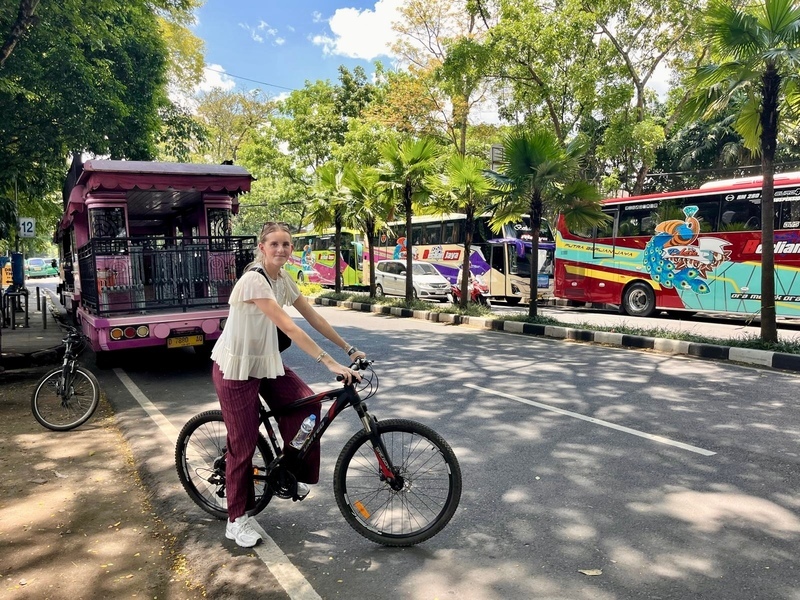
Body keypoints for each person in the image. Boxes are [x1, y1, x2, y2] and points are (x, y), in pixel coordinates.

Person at [210, 221, 366, 548]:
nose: (281, 249)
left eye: (287, 244)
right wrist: (330, 363)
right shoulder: (254, 280)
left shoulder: (283, 279)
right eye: (275, 244)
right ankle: (236, 519)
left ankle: (287, 471)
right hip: (236, 368)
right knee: (244, 443)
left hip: (265, 361)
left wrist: (348, 348)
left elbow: (314, 318)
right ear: (262, 248)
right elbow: (290, 328)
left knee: (308, 403)